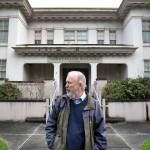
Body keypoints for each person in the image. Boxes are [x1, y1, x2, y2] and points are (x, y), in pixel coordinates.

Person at [45, 71, 107, 150]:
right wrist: (53, 144)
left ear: (80, 85)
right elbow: (50, 123)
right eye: (66, 82)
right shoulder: (61, 102)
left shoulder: (94, 105)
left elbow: (101, 133)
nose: (66, 85)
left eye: (69, 83)